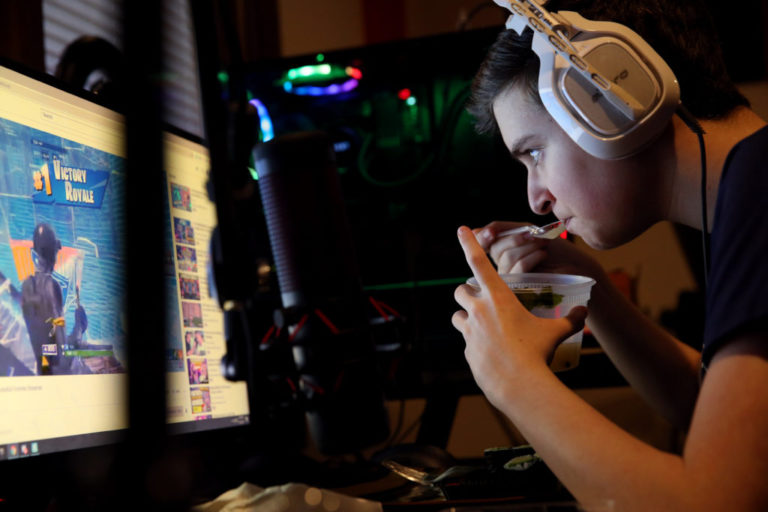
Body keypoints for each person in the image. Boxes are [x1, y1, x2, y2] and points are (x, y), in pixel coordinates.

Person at [451, 0, 768, 510]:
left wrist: (512, 378)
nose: (536, 199)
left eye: (535, 152)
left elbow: (715, 501)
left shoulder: (760, 192)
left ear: (615, 100)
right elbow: (712, 410)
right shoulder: (746, 188)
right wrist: (588, 286)